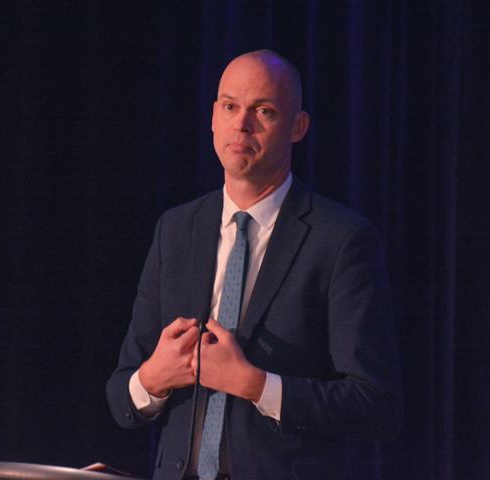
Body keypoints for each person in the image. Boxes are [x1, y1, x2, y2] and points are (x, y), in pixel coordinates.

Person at [106, 49, 402, 480]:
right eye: (230, 107)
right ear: (212, 117)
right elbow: (121, 397)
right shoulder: (175, 231)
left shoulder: (341, 240)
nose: (240, 124)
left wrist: (257, 386)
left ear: (297, 127)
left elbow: (377, 407)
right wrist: (153, 377)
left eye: (263, 111)